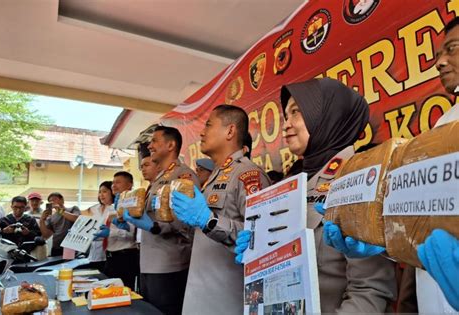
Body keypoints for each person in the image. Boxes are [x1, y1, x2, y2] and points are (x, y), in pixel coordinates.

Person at [319, 17, 459, 312]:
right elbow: (422, 229)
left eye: (453, 48)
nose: (441, 62)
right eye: (437, 55)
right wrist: (387, 242)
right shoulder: (442, 127)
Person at [235, 78, 397, 313]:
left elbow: (370, 292)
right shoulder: (295, 180)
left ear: (329, 116)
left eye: (296, 112)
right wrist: (259, 254)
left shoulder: (360, 179)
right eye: (286, 116)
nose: (286, 125)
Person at [171, 105, 270, 314]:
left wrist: (209, 221)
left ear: (230, 131)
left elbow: (262, 238)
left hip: (226, 301)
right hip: (200, 295)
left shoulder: (248, 174)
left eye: (208, 125)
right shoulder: (214, 177)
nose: (201, 132)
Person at [120, 126, 199, 315]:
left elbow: (187, 220)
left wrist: (155, 227)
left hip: (169, 266)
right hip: (149, 264)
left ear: (171, 145)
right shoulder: (159, 179)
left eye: (155, 140)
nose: (150, 145)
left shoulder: (183, 176)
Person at [100, 171, 140, 291]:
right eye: (113, 183)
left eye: (118, 182)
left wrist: (110, 233)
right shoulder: (111, 207)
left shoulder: (133, 204)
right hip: (110, 256)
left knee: (123, 293)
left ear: (129, 185)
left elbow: (132, 233)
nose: (114, 185)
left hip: (125, 257)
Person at [83, 181, 116, 272]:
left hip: (108, 255)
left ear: (112, 192)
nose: (101, 195)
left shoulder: (115, 209)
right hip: (93, 255)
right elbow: (82, 221)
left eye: (104, 191)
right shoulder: (94, 209)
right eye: (100, 192)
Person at [39, 192, 80, 256]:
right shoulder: (52, 217)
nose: (52, 202)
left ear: (62, 200)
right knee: (55, 265)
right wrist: (42, 220)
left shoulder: (73, 209)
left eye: (54, 199)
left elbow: (77, 219)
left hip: (70, 245)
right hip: (56, 246)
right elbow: (46, 235)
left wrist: (60, 210)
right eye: (50, 201)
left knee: (69, 265)